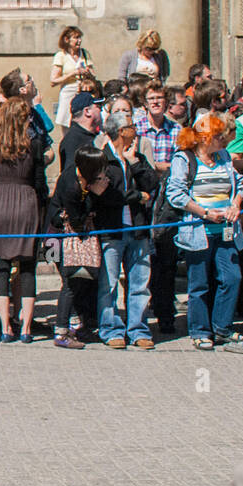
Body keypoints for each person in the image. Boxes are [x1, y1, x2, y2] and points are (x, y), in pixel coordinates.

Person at [167, 112, 243, 350]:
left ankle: (222, 328)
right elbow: (176, 194)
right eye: (218, 136)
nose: (224, 141)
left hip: (226, 230)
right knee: (199, 283)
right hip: (198, 231)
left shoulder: (223, 156)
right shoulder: (184, 159)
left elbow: (239, 184)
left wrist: (235, 204)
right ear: (205, 138)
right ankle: (200, 331)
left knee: (232, 277)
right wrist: (204, 212)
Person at [93, 111, 158, 349]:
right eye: (132, 126)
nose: (136, 130)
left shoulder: (136, 157)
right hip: (112, 230)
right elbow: (105, 195)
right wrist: (135, 196)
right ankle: (111, 329)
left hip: (138, 229)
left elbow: (152, 184)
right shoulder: (102, 159)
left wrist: (136, 164)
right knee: (108, 284)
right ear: (121, 131)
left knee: (140, 283)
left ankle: (138, 329)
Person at [0, 97, 47, 343]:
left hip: (1, 200)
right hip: (26, 200)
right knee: (27, 266)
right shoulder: (34, 142)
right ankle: (26, 328)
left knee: (1, 266)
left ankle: (5, 326)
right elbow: (39, 179)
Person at [49, 146, 112, 350]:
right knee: (69, 283)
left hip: (64, 238)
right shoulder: (72, 185)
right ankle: (61, 332)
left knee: (77, 282)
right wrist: (96, 195)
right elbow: (76, 221)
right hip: (56, 239)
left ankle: (75, 325)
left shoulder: (80, 179)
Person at [134, 81, 183, 335]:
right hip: (142, 198)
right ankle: (137, 318)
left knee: (166, 260)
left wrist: (154, 164)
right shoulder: (136, 128)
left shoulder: (176, 129)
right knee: (140, 260)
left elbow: (181, 164)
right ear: (144, 102)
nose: (155, 102)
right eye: (151, 98)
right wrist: (158, 165)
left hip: (168, 201)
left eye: (160, 98)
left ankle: (166, 315)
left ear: (166, 102)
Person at [51, 26, 95, 129]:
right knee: (67, 124)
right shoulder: (61, 55)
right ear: (67, 39)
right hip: (68, 92)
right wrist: (72, 73)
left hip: (84, 91)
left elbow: (93, 73)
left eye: (80, 37)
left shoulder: (84, 53)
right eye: (76, 37)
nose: (79, 41)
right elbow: (53, 81)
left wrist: (87, 72)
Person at [59, 93, 101, 170]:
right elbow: (71, 175)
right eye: (98, 107)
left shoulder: (88, 135)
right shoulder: (73, 141)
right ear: (87, 111)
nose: (101, 110)